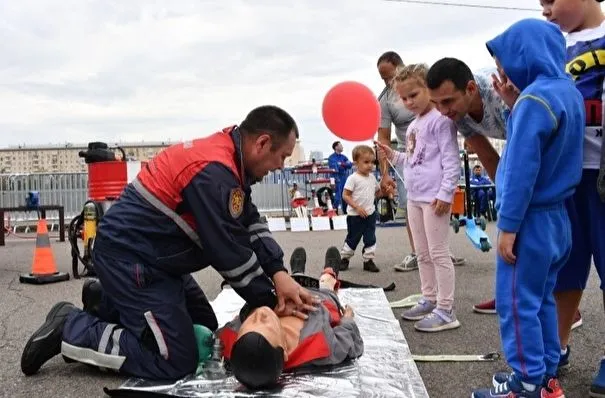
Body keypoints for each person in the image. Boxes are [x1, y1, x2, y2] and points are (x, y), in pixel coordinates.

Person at [20, 105, 320, 380]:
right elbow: (229, 252)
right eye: (282, 156)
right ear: (263, 143)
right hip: (133, 261)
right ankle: (71, 328)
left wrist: (279, 273)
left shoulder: (231, 159)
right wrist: (270, 301)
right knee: (176, 358)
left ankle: (107, 303)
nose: (281, 166)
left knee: (203, 325)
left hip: (157, 261)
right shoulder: (212, 171)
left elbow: (250, 221)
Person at [471, 19, 585, 398]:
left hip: (530, 220)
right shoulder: (565, 92)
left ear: (525, 55)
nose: (501, 70)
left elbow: (520, 170)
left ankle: (527, 383)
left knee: (517, 303)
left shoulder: (533, 102)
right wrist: (514, 104)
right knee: (542, 300)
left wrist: (508, 225)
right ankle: (546, 376)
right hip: (558, 219)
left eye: (504, 60)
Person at [427, 57, 582, 329]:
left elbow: (529, 149)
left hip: (548, 148)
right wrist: (507, 201)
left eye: (448, 101)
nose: (442, 111)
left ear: (471, 89)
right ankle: (509, 293)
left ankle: (566, 308)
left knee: (544, 240)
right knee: (510, 236)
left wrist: (520, 202)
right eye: (436, 103)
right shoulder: (459, 114)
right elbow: (488, 157)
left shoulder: (499, 92)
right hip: (517, 146)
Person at [540, 0, 605, 395]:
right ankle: (556, 347)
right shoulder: (552, 45)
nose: (546, 9)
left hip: (603, 176)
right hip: (566, 176)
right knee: (564, 267)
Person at [376, 63, 461, 332]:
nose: (408, 102)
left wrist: (446, 192)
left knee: (438, 253)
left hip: (434, 198)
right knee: (422, 253)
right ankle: (429, 297)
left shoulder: (441, 120)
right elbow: (411, 158)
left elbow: (451, 160)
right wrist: (391, 154)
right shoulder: (414, 125)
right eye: (404, 98)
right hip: (415, 196)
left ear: (428, 89)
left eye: (414, 95)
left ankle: (446, 309)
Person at [219, 246, 364, 390]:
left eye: (251, 321)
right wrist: (347, 318)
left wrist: (245, 314)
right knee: (327, 284)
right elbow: (347, 338)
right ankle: (329, 272)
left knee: (290, 280)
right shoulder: (321, 348)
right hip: (319, 299)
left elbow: (214, 338)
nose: (260, 314)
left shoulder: (232, 343)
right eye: (265, 322)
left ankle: (297, 272)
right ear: (284, 353)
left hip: (277, 293)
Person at [339, 145, 385, 273]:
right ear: (355, 163)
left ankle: (368, 260)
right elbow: (345, 195)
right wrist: (357, 207)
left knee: (370, 237)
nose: (370, 165)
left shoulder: (372, 178)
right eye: (366, 162)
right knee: (353, 238)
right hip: (355, 215)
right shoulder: (352, 178)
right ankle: (344, 258)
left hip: (370, 214)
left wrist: (385, 190)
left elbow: (377, 193)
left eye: (372, 162)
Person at [328, 141, 353, 214]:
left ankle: (346, 213)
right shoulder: (331, 157)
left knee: (345, 196)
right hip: (335, 178)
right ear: (336, 147)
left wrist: (341, 164)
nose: (342, 147)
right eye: (340, 145)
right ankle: (334, 212)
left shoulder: (343, 157)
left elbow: (350, 165)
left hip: (344, 178)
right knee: (337, 197)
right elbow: (335, 167)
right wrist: (343, 165)